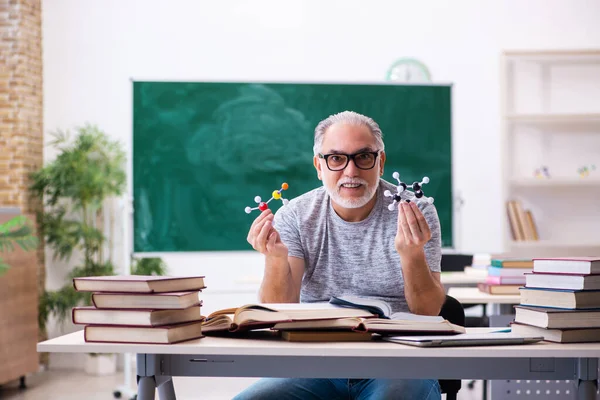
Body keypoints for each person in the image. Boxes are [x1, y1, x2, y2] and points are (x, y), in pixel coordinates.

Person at [234, 110, 446, 400]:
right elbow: (278, 311)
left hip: (399, 362)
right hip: (315, 363)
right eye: (336, 158)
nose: (351, 171)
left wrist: (411, 255)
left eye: (363, 157)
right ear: (319, 167)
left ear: (380, 162)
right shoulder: (295, 215)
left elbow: (428, 312)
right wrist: (275, 259)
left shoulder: (415, 212)